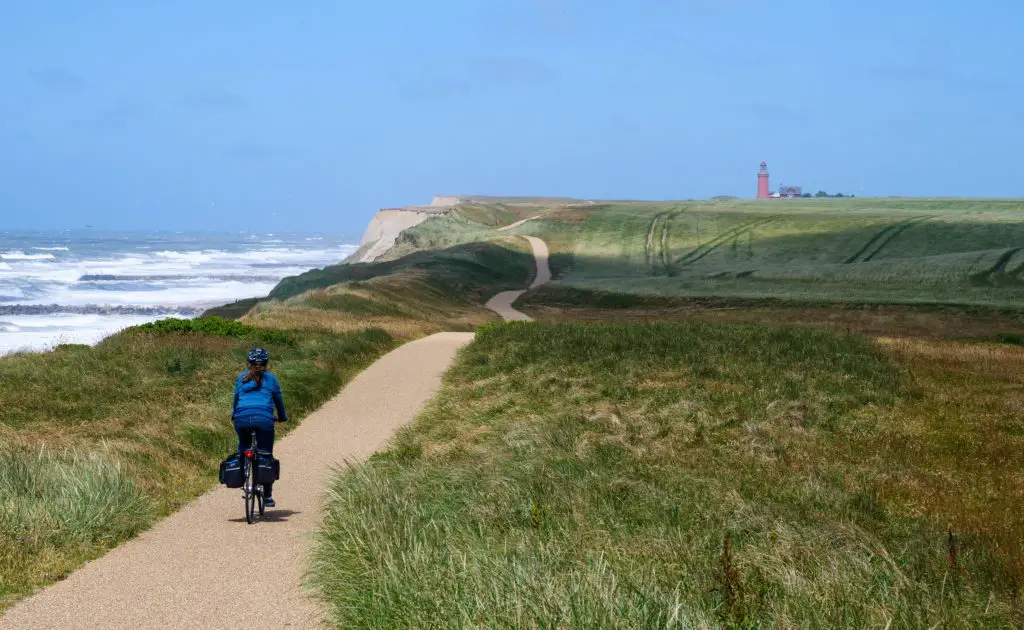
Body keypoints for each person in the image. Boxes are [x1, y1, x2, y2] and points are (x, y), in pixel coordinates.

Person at [232, 347, 288, 507]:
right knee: (266, 454)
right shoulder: (271, 379)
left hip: (241, 419)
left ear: (248, 362)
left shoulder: (241, 377)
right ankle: (268, 495)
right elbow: (278, 400)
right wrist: (282, 417)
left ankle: (243, 471)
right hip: (264, 419)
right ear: (267, 363)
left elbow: (236, 399)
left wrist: (234, 414)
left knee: (243, 447)